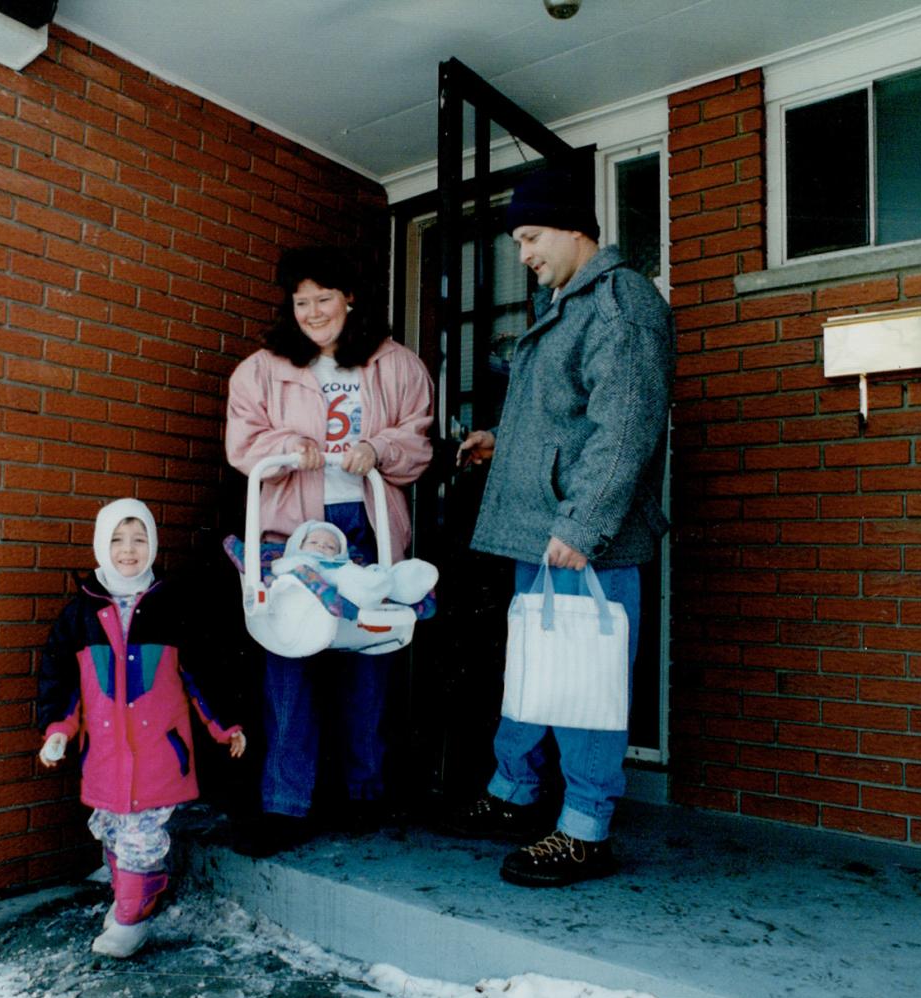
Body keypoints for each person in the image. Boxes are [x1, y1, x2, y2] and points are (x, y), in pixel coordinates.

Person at [447, 166, 674, 888]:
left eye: (531, 237)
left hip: (581, 543)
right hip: (543, 535)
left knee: (583, 683)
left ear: (577, 230)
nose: (524, 254)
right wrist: (499, 439)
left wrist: (583, 523)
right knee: (537, 674)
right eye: (518, 240)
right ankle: (516, 793)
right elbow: (565, 415)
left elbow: (626, 426)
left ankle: (584, 829)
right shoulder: (567, 303)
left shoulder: (619, 300)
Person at [226, 246, 433, 856]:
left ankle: (362, 794)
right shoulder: (262, 369)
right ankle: (286, 805)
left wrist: (380, 448)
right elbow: (245, 445)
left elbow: (417, 442)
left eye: (324, 298)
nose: (313, 312)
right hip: (293, 528)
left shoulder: (395, 364)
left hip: (366, 526)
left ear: (351, 299)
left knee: (367, 657)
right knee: (290, 660)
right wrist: (292, 440)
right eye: (301, 301)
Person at [36, 498, 247, 957]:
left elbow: (202, 675)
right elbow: (63, 683)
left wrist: (223, 725)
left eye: (138, 538)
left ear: (151, 545)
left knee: (139, 840)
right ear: (100, 544)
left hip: (157, 759)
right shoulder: (80, 614)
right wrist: (58, 730)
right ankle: (136, 895)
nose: (127, 549)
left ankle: (132, 920)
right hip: (105, 760)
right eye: (116, 539)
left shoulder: (173, 607)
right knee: (115, 834)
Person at [270, 519, 438, 609]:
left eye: (331, 546)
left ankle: (401, 582)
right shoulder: (294, 561)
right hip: (333, 584)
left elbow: (352, 569)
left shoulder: (343, 564)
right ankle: (377, 589)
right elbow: (279, 568)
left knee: (371, 572)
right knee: (350, 577)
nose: (321, 546)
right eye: (313, 542)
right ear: (297, 545)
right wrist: (301, 563)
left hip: (353, 575)